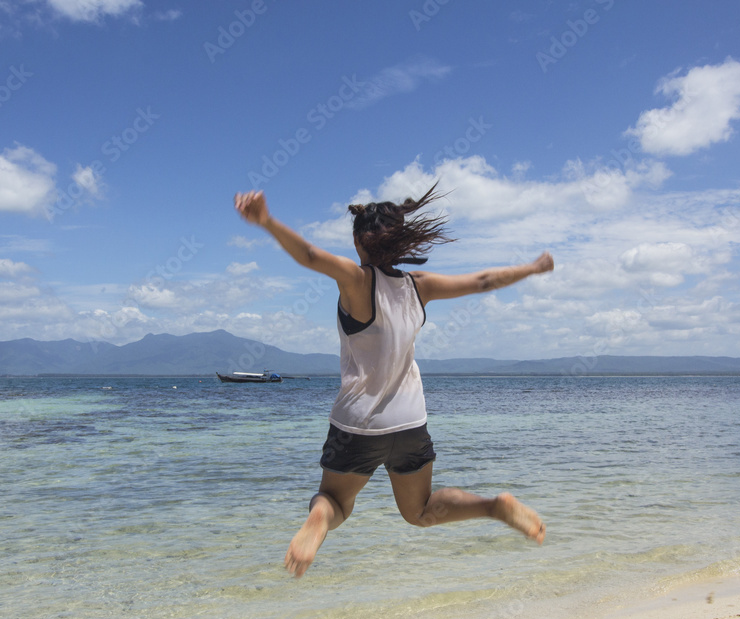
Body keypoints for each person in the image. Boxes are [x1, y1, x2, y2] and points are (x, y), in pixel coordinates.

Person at [233, 186, 554, 578]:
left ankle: (319, 520)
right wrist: (533, 268)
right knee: (420, 512)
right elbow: (484, 280)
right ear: (400, 241)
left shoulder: (356, 280)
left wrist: (266, 221)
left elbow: (311, 256)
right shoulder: (419, 287)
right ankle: (492, 506)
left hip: (358, 424)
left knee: (335, 501)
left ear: (357, 242)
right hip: (410, 425)